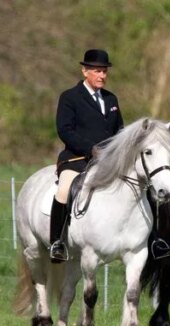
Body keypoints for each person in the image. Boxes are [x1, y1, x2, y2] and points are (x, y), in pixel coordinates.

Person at [49, 49, 124, 263]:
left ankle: (149, 239)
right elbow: (65, 130)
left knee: (138, 185)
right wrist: (90, 149)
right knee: (64, 190)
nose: (102, 76)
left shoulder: (111, 99)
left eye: (104, 72)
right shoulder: (70, 97)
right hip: (76, 159)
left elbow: (120, 130)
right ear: (85, 71)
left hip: (107, 161)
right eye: (98, 71)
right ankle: (57, 242)